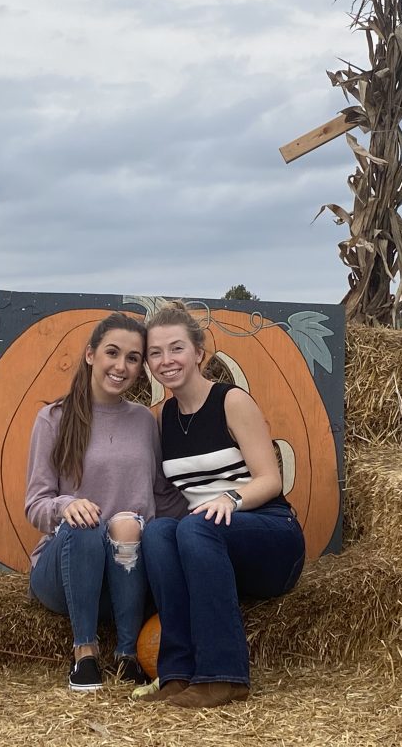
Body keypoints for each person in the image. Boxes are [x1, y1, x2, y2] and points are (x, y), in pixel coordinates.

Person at [137, 302, 306, 708]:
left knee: (193, 526)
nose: (166, 360)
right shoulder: (164, 419)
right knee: (159, 532)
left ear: (199, 353)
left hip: (269, 535)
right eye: (155, 353)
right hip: (210, 549)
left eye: (176, 349)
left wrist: (229, 498)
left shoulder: (231, 401)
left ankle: (224, 676)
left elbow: (271, 479)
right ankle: (176, 674)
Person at [25, 312, 176, 692]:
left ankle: (128, 656)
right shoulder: (54, 419)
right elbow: (36, 504)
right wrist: (65, 505)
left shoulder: (144, 421)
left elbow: (163, 496)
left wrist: (218, 509)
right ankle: (85, 654)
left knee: (126, 522)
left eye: (133, 358)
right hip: (67, 573)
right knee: (86, 523)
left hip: (128, 577)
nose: (121, 366)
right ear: (91, 355)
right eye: (112, 353)